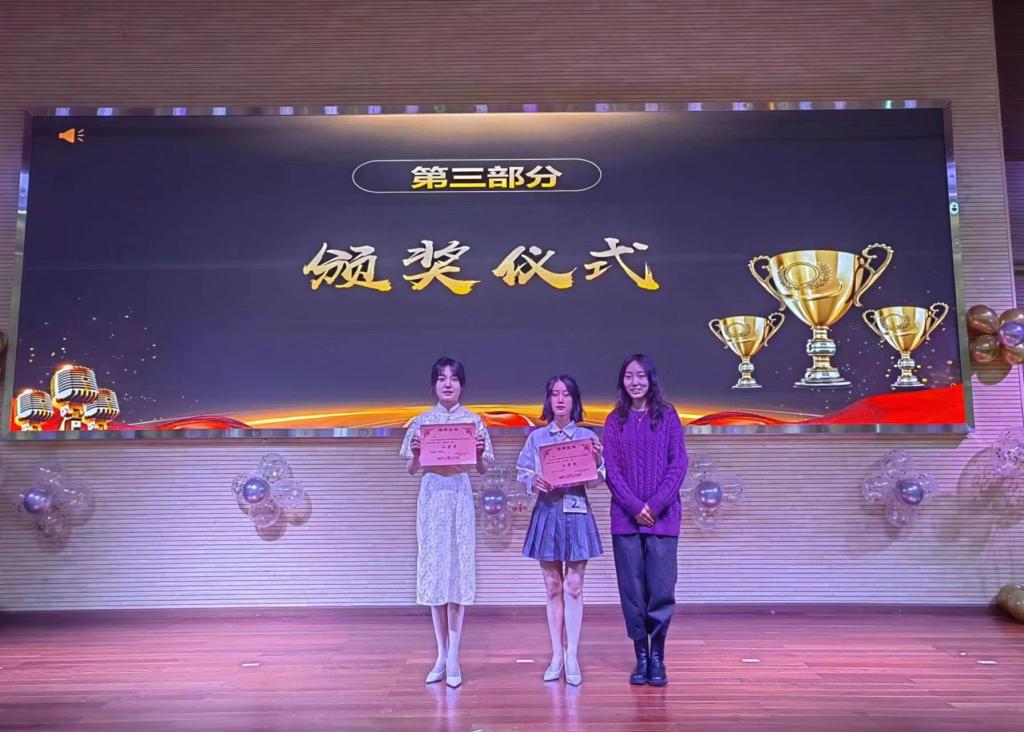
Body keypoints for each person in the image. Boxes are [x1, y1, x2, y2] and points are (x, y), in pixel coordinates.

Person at [400, 357, 493, 688]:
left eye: (454, 378)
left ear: (462, 385)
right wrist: (415, 454)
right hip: (432, 497)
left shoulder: (473, 422)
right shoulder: (422, 421)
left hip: (459, 496)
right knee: (436, 573)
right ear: (434, 385)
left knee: (456, 572)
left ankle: (454, 654)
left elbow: (482, 468)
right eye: (442, 378)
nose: (448, 384)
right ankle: (441, 654)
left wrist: (478, 453)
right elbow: (411, 469)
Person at [602, 354, 688, 686]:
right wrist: (636, 506)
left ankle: (657, 657)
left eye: (641, 376)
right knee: (632, 591)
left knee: (662, 589)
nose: (635, 382)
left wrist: (654, 504)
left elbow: (678, 463)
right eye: (629, 376)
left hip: (663, 518)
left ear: (651, 379)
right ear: (622, 381)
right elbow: (611, 469)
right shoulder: (614, 420)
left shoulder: (668, 415)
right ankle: (640, 655)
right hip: (626, 519)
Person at [516, 375, 604, 686]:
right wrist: (532, 480)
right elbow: (522, 471)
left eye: (566, 394)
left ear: (574, 400)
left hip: (577, 512)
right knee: (553, 587)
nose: (560, 399)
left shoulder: (587, 437)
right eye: (555, 394)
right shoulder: (537, 438)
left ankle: (572, 655)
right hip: (548, 512)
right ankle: (556, 654)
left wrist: (596, 460)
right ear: (549, 400)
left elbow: (597, 480)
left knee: (574, 587)